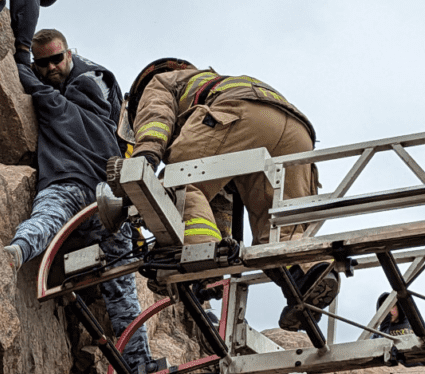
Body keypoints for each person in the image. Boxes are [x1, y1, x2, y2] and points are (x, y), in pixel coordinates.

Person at [120, 59, 340, 332]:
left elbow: (156, 114)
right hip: (297, 131)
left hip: (240, 114)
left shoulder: (161, 81)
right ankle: (307, 275)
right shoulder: (215, 82)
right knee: (278, 233)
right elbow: (220, 204)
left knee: (177, 185)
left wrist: (146, 155)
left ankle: (197, 256)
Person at [4, 29, 157, 374]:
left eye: (58, 60)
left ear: (70, 55)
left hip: (85, 192)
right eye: (46, 63)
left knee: (49, 218)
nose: (53, 68)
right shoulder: (99, 99)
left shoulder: (54, 98)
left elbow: (22, 73)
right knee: (122, 292)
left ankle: (18, 250)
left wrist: (25, 62)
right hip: (105, 199)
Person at [372, 292, 425, 367]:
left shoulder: (413, 325)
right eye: (384, 308)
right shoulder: (378, 333)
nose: (389, 311)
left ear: (398, 306)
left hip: (418, 369)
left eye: (392, 306)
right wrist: (385, 328)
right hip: (393, 372)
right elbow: (370, 351)